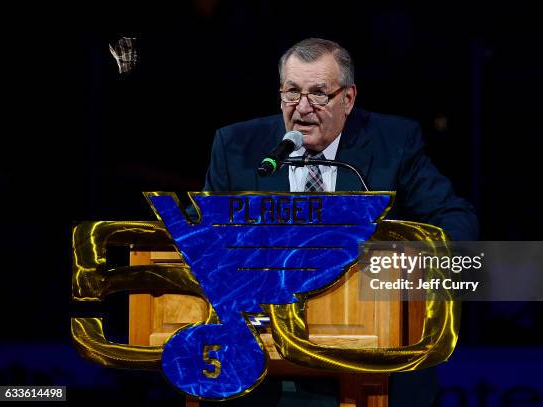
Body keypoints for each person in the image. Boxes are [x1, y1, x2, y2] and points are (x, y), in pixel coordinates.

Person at [202, 38, 478, 406]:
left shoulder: (392, 142)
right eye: (292, 92)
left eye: (318, 94)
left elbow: (454, 218)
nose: (302, 108)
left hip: (371, 359)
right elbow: (200, 237)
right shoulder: (238, 146)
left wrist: (412, 272)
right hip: (262, 366)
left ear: (347, 99)